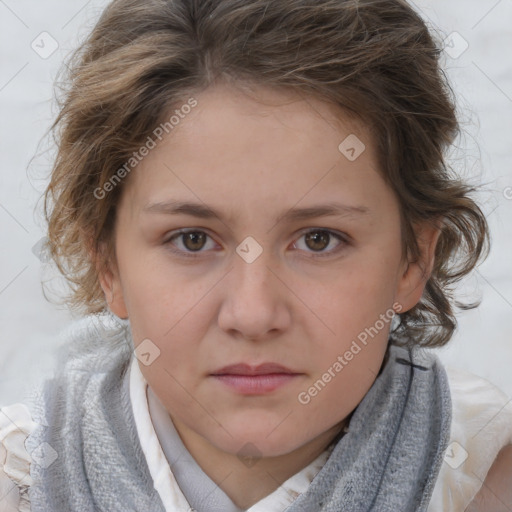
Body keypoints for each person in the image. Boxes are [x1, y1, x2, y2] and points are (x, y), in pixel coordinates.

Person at [1, 0, 511, 510]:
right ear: (107, 264)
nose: (253, 314)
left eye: (318, 240)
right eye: (192, 240)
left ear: (412, 261)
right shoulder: (21, 482)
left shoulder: (484, 479)